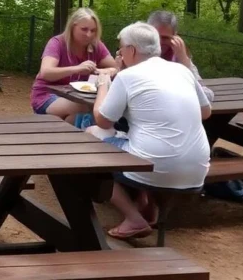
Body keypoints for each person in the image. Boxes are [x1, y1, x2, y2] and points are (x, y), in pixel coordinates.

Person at [86, 22, 211, 240]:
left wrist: (103, 86)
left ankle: (133, 218)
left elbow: (103, 121)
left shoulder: (128, 76)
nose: (120, 53)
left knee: (91, 134)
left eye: (121, 48)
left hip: (156, 167)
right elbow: (205, 112)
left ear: (131, 50)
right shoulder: (182, 71)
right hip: (197, 169)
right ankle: (147, 206)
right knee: (143, 141)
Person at [31, 7, 117, 120]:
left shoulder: (96, 45)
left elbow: (116, 67)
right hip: (47, 96)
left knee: (75, 118)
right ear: (72, 26)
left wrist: (102, 71)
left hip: (78, 96)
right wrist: (77, 68)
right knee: (88, 107)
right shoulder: (57, 43)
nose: (89, 34)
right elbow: (46, 72)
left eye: (93, 30)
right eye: (84, 29)